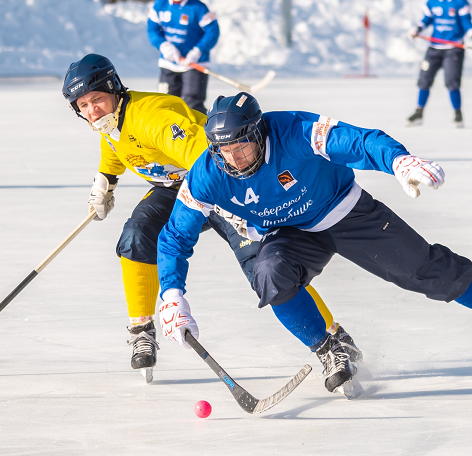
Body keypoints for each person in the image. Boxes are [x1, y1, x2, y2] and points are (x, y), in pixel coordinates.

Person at [155, 92, 472, 397]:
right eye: (225, 150)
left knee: (432, 273)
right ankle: (330, 349)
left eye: (242, 145)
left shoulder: (295, 130)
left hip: (346, 213)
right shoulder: (207, 175)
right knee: (268, 274)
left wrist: (398, 160)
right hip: (288, 234)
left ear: (259, 132)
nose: (236, 157)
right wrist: (171, 292)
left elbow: (358, 141)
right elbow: (176, 236)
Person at [61, 54, 356, 382]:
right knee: (136, 234)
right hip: (175, 188)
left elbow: (207, 159)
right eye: (83, 105)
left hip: (219, 184)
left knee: (263, 266)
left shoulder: (153, 119)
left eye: (97, 100)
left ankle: (332, 340)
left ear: (115, 90)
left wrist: (235, 208)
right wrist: (105, 181)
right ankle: (142, 329)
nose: (92, 111)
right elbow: (115, 147)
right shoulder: (111, 122)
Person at [406, 0, 472, 129]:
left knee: (452, 82)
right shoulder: (432, 2)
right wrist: (417, 29)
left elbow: (466, 22)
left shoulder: (460, 2)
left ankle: (457, 114)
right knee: (424, 81)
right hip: (434, 48)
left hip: (453, 49)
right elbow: (426, 20)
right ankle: (419, 112)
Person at [146, 0, 219, 113]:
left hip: (194, 65)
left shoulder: (198, 7)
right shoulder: (160, 4)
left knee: (193, 106)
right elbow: (152, 30)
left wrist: (197, 51)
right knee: (167, 106)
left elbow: (213, 31)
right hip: (169, 64)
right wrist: (164, 46)